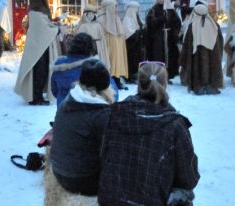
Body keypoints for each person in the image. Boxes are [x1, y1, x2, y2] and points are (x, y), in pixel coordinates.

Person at [99, 62, 200, 205]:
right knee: (183, 196)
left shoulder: (115, 114)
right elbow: (189, 178)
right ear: (165, 85)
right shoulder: (175, 126)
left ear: (139, 85)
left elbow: (103, 156)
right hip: (152, 201)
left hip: (111, 199)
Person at [49, 59, 115, 197]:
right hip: (83, 180)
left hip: (58, 170)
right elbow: (112, 152)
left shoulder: (69, 100)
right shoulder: (102, 114)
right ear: (105, 87)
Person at [14, 0, 59, 105]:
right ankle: (36, 97)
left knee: (41, 71)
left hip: (40, 45)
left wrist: (52, 22)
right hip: (38, 46)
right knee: (39, 71)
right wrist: (56, 29)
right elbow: (42, 28)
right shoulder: (37, 10)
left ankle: (37, 95)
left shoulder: (39, 7)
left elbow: (45, 24)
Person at [180, 3, 224, 95]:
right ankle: (211, 86)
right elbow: (220, 40)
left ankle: (199, 86)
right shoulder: (214, 24)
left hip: (197, 54)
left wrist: (183, 58)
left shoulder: (192, 26)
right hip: (213, 54)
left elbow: (187, 43)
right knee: (211, 67)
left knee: (198, 67)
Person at [50, 32, 97, 107]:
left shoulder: (59, 65)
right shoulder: (95, 65)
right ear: (90, 48)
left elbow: (54, 89)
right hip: (88, 111)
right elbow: (111, 93)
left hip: (63, 110)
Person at [97, 0, 129, 89]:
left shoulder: (116, 17)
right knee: (109, 63)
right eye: (114, 6)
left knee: (117, 64)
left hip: (117, 46)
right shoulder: (101, 19)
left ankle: (117, 82)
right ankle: (109, 82)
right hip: (107, 46)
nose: (116, 9)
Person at [122, 1, 144, 83]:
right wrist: (137, 32)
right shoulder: (127, 19)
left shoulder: (137, 18)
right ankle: (129, 77)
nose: (138, 11)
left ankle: (135, 75)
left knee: (137, 60)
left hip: (138, 45)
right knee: (131, 61)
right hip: (131, 46)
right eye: (136, 9)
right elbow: (128, 34)